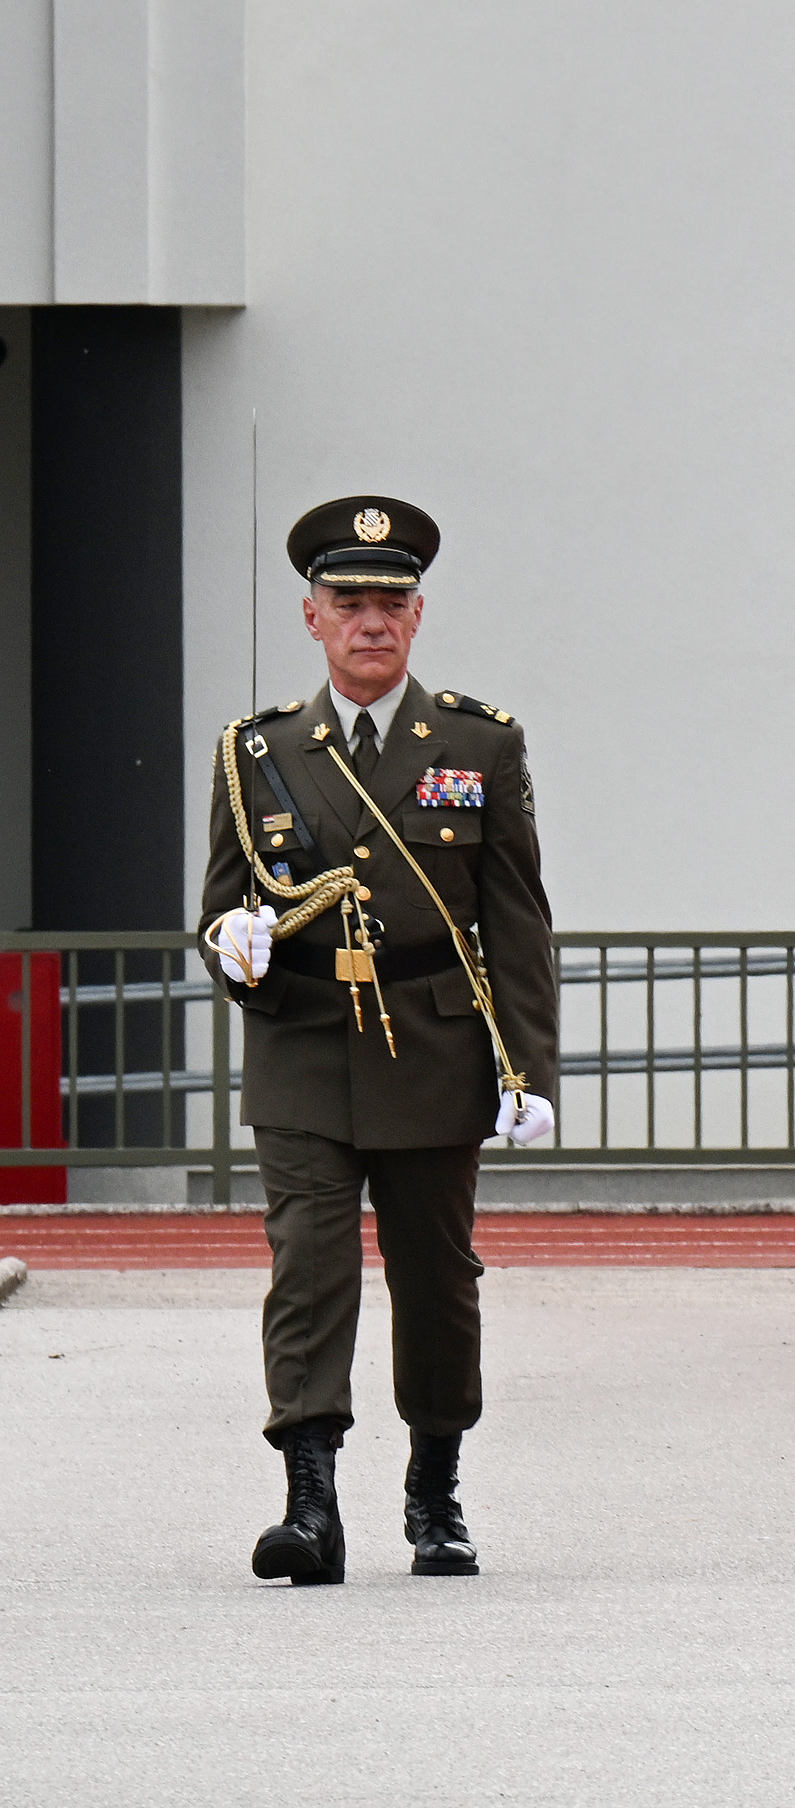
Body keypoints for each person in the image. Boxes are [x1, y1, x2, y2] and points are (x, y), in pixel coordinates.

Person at [199, 496, 556, 1586]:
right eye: (349, 601)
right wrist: (237, 945)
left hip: (433, 1044)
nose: (371, 621)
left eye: (390, 602)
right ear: (311, 616)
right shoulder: (256, 751)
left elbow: (517, 918)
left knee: (438, 1277)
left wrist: (527, 1068)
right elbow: (218, 915)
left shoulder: (476, 741)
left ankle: (434, 1489)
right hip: (303, 1042)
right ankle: (310, 1504)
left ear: (417, 613)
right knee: (308, 1271)